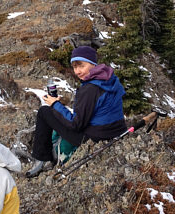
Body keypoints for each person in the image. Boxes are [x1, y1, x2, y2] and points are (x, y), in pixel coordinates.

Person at [26, 45, 126, 177]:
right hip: (116, 130)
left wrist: (55, 104)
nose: (77, 71)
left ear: (92, 64)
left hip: (95, 137)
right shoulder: (109, 79)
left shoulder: (90, 88)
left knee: (44, 112)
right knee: (59, 111)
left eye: (81, 66)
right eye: (74, 67)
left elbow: (76, 124)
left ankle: (42, 158)